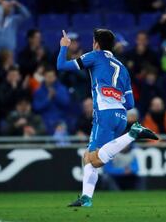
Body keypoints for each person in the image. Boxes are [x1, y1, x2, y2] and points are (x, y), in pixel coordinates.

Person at [57, 29, 158, 207]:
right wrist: (114, 95)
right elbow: (130, 103)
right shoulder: (123, 67)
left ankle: (133, 133)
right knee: (88, 157)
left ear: (96, 43)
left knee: (94, 159)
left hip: (104, 114)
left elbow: (61, 66)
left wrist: (64, 47)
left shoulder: (94, 56)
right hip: (120, 116)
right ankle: (86, 198)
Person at [32, 67, 71, 134]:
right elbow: (36, 108)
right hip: (43, 121)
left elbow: (66, 103)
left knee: (61, 132)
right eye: (48, 76)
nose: (50, 78)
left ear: (55, 77)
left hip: (60, 120)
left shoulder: (62, 89)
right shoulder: (38, 91)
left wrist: (56, 95)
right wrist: (48, 99)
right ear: (44, 77)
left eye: (52, 76)